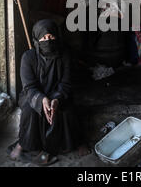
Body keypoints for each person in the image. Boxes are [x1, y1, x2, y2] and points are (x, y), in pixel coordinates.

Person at [8, 19, 89, 165]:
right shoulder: (28, 57)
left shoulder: (65, 55)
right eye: (43, 38)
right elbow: (29, 86)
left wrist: (56, 99)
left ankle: (76, 142)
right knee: (29, 111)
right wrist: (42, 100)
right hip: (33, 94)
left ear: (57, 37)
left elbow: (66, 83)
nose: (48, 41)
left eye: (51, 37)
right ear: (37, 39)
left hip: (58, 92)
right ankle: (24, 144)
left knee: (68, 110)